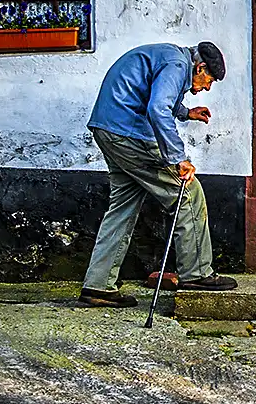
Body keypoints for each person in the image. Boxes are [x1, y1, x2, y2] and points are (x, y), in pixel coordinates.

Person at [78, 40, 238, 307]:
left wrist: (186, 113)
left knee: (123, 207)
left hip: (108, 129)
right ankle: (196, 273)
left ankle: (97, 286)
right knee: (188, 191)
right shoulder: (177, 65)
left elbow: (155, 96)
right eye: (208, 80)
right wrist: (178, 159)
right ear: (199, 67)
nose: (206, 88)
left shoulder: (169, 57)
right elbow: (157, 108)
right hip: (129, 133)